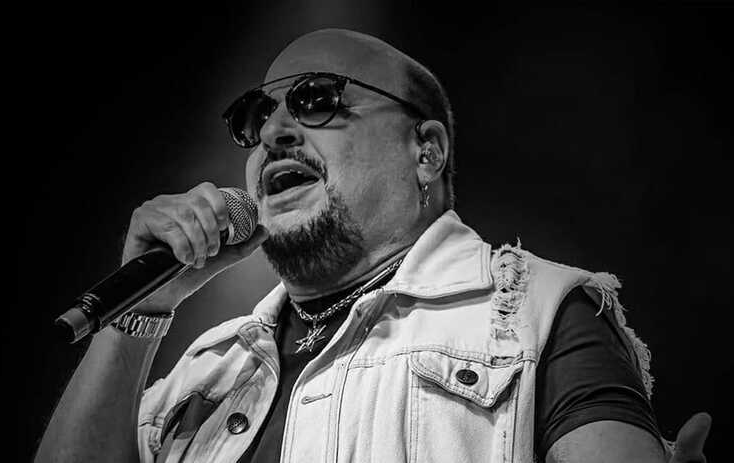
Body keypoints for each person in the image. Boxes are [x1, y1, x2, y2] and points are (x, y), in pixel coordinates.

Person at [35, 29, 711, 462]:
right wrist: (140, 311)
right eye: (256, 115)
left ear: (426, 152)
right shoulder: (206, 370)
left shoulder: (536, 313)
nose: (272, 132)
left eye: (315, 99)